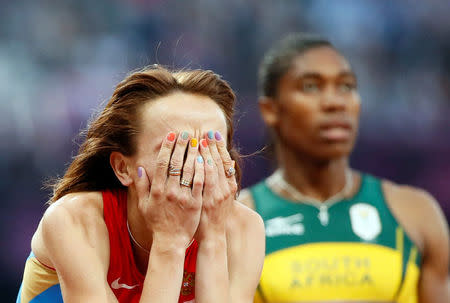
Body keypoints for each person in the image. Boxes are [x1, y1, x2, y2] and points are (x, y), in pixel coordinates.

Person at [17, 66, 265, 303]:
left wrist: (213, 238)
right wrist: (170, 242)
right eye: (174, 150)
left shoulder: (244, 228)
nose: (196, 166)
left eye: (210, 149)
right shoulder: (73, 220)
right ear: (123, 168)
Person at [239, 33, 449, 303]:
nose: (335, 102)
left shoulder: (415, 214)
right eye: (311, 87)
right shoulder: (239, 221)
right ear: (271, 110)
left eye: (347, 86)